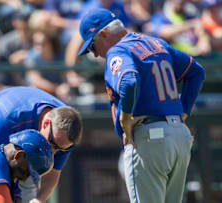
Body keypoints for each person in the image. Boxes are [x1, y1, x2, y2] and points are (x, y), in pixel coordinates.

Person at [78, 8, 205, 203]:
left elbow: (129, 79)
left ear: (102, 34)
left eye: (93, 47)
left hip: (149, 139)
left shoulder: (117, 50)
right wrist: (184, 112)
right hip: (180, 137)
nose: (95, 55)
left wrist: (126, 117)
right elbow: (196, 72)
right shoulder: (155, 42)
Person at [0, 86, 83, 203]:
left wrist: (39, 200)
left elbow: (53, 175)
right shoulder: (6, 119)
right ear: (46, 124)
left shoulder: (62, 136)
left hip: (17, 147)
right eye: (53, 144)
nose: (53, 152)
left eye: (61, 149)